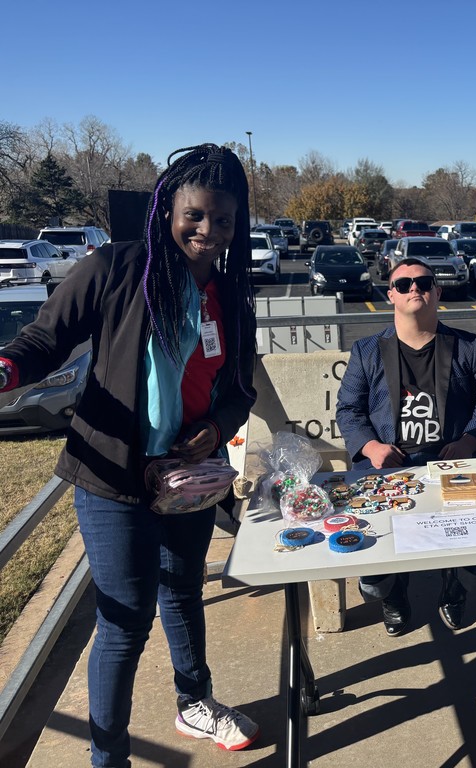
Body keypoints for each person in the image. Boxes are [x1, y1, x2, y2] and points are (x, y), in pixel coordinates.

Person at [0, 144, 260, 766]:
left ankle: (194, 702)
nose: (208, 232)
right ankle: (107, 756)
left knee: (182, 591)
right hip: (111, 474)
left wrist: (216, 427)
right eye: (196, 215)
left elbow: (240, 388)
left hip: (187, 477)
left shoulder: (230, 295)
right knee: (124, 620)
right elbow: (43, 340)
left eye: (223, 221)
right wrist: (8, 367)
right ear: (167, 209)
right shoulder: (114, 269)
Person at [336, 258, 476, 635]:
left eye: (425, 282)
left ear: (437, 292)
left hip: (452, 462)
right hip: (388, 465)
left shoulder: (466, 346)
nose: (416, 288)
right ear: (391, 295)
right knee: (370, 552)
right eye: (406, 283)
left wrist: (470, 440)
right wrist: (370, 447)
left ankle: (455, 584)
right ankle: (393, 591)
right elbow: (348, 409)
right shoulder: (367, 351)